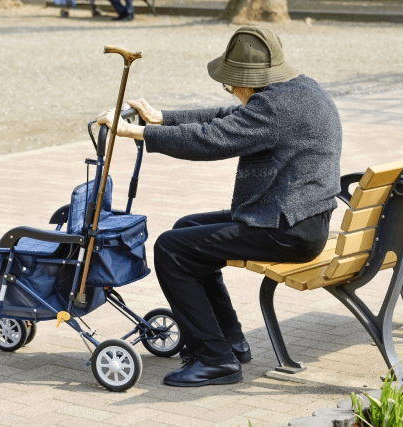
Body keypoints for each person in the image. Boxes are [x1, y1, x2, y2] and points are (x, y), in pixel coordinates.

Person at [97, 26, 342, 387]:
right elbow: (228, 115)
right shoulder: (303, 88)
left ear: (248, 80)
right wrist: (165, 118)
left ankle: (217, 360)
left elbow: (213, 139)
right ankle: (229, 340)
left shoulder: (272, 108)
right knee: (185, 230)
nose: (232, 92)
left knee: (170, 249)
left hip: (286, 228)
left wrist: (141, 133)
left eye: (231, 84)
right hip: (298, 218)